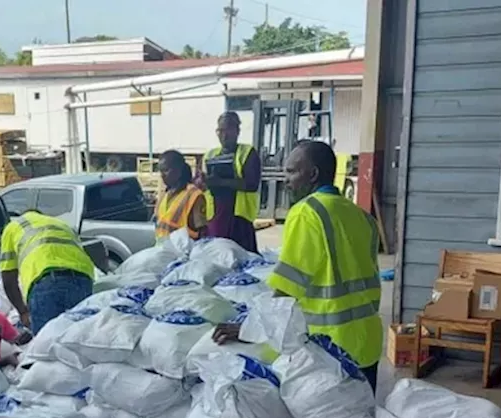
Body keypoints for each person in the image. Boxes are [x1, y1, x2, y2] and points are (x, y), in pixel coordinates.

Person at [214, 140, 383, 390]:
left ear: (313, 174)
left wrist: (247, 329)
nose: (287, 180)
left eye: (292, 171)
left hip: (331, 350)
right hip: (368, 343)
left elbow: (286, 291)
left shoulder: (307, 212)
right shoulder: (362, 217)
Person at [0, 209, 96, 335]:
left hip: (46, 280)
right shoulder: (61, 224)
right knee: (80, 340)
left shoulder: (13, 227)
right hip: (83, 278)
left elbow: (8, 279)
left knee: (47, 346)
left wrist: (23, 312)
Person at [198, 112, 262, 253]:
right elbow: (202, 184)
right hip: (216, 216)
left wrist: (220, 182)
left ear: (237, 131)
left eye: (228, 130)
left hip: (238, 218)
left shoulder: (248, 153)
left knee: (241, 256)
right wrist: (202, 182)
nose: (224, 135)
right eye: (220, 131)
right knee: (217, 255)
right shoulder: (210, 155)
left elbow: (251, 184)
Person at [154, 150, 207, 242]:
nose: (162, 175)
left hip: (184, 253)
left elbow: (201, 233)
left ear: (178, 170)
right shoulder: (164, 195)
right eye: (160, 171)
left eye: (166, 170)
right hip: (162, 251)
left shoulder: (194, 195)